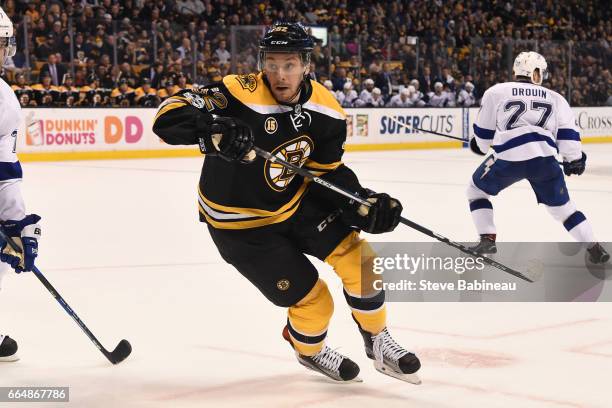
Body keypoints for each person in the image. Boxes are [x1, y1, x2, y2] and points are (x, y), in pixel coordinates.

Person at [152, 22, 421, 383]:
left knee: (362, 261)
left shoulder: (327, 110)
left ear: (307, 64)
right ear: (262, 62)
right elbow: (169, 114)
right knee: (315, 302)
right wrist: (211, 129)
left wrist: (362, 202)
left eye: (290, 64)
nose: (280, 74)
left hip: (295, 204)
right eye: (273, 63)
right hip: (242, 226)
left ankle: (376, 339)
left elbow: (325, 174)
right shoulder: (239, 92)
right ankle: (308, 350)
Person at [467, 51, 609, 264]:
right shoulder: (556, 98)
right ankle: (594, 248)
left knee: (475, 191)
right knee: (565, 210)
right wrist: (573, 160)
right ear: (535, 72)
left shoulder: (497, 91)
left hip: (508, 158)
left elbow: (483, 139)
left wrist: (477, 144)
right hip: (544, 161)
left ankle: (488, 238)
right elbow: (568, 134)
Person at [0, 6, 42, 362]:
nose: (3, 53)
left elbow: (3, 171)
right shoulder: (3, 99)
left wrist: (16, 224)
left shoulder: (3, 99)